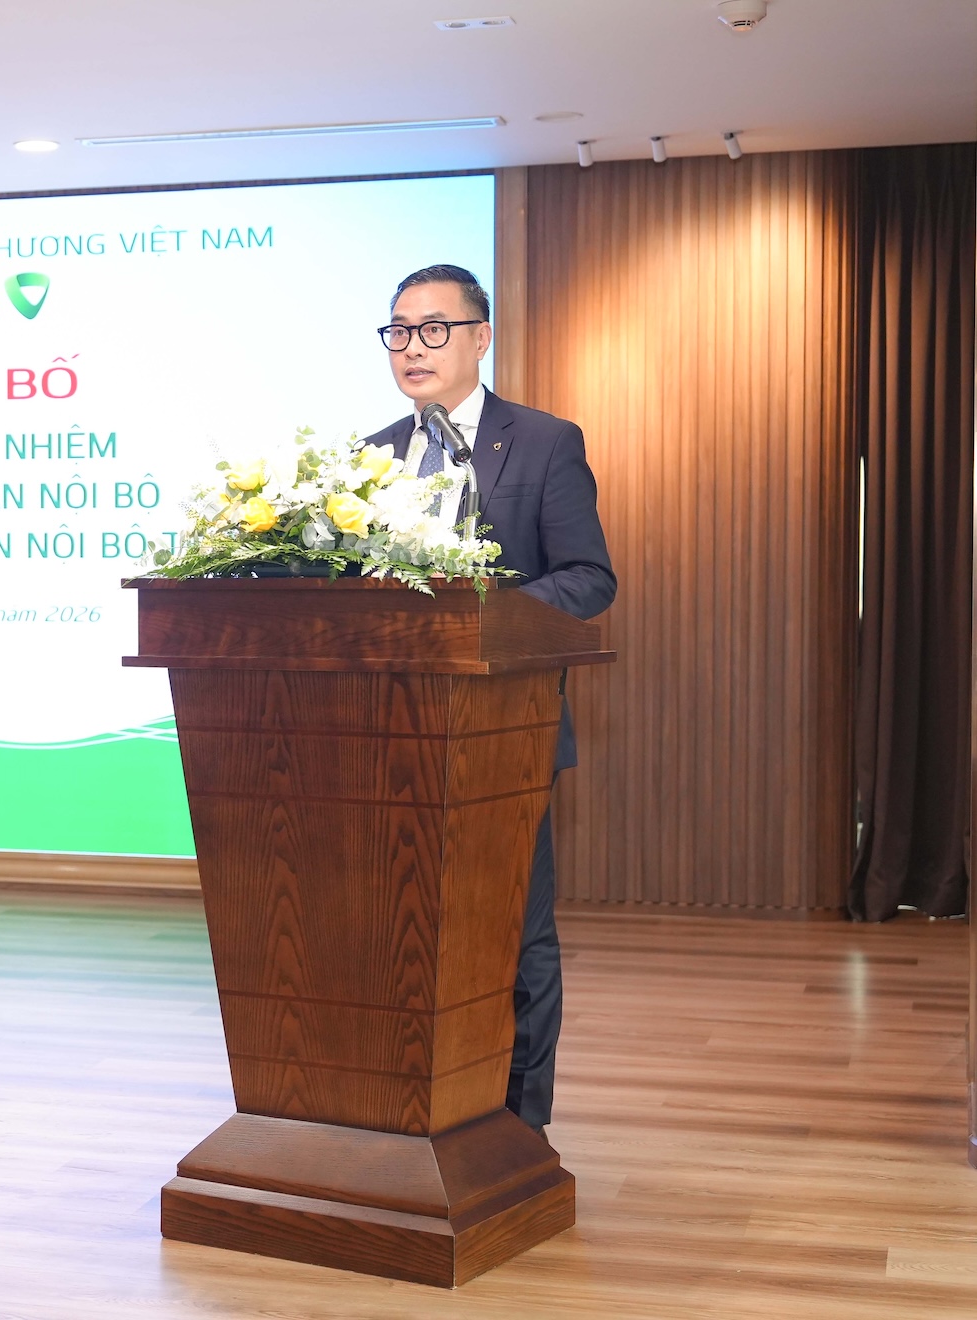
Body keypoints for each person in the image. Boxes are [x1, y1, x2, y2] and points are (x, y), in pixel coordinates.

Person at [362, 263, 617, 1130]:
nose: (413, 347)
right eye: (399, 330)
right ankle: (411, 1109)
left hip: (506, 729)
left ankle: (518, 1125)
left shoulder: (542, 442)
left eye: (434, 328)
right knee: (400, 929)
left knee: (513, 931)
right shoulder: (372, 456)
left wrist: (483, 619)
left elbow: (587, 578)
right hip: (393, 735)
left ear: (482, 338)